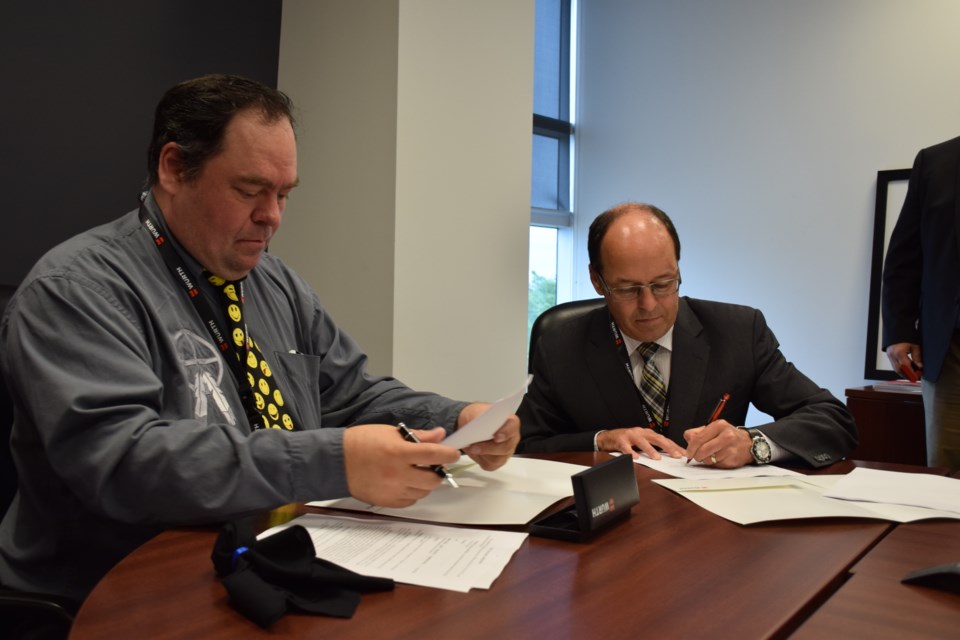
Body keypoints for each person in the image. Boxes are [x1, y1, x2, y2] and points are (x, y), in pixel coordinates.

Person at [0, 74, 519, 607]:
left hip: (260, 564)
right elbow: (127, 463)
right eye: (249, 190)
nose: (270, 215)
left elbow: (350, 395)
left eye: (283, 194)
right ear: (174, 168)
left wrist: (454, 419)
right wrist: (333, 462)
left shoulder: (276, 283)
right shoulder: (76, 290)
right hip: (110, 595)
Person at [517, 202, 857, 468]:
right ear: (597, 281)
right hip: (612, 524)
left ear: (679, 268)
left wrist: (753, 444)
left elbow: (832, 420)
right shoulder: (562, 344)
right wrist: (599, 440)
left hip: (710, 527)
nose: (649, 304)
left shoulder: (737, 331)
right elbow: (527, 445)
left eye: (664, 284)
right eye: (627, 289)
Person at [882, 136, 960, 472]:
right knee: (946, 472)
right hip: (951, 354)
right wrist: (899, 329)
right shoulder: (935, 162)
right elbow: (904, 255)